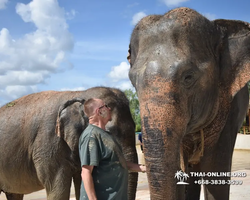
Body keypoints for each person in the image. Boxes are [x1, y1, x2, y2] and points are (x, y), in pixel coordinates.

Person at [79, 98, 146, 200]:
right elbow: (86, 172)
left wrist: (144, 168)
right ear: (99, 111)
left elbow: (119, 162)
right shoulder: (91, 136)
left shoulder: (106, 134)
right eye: (105, 106)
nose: (109, 108)